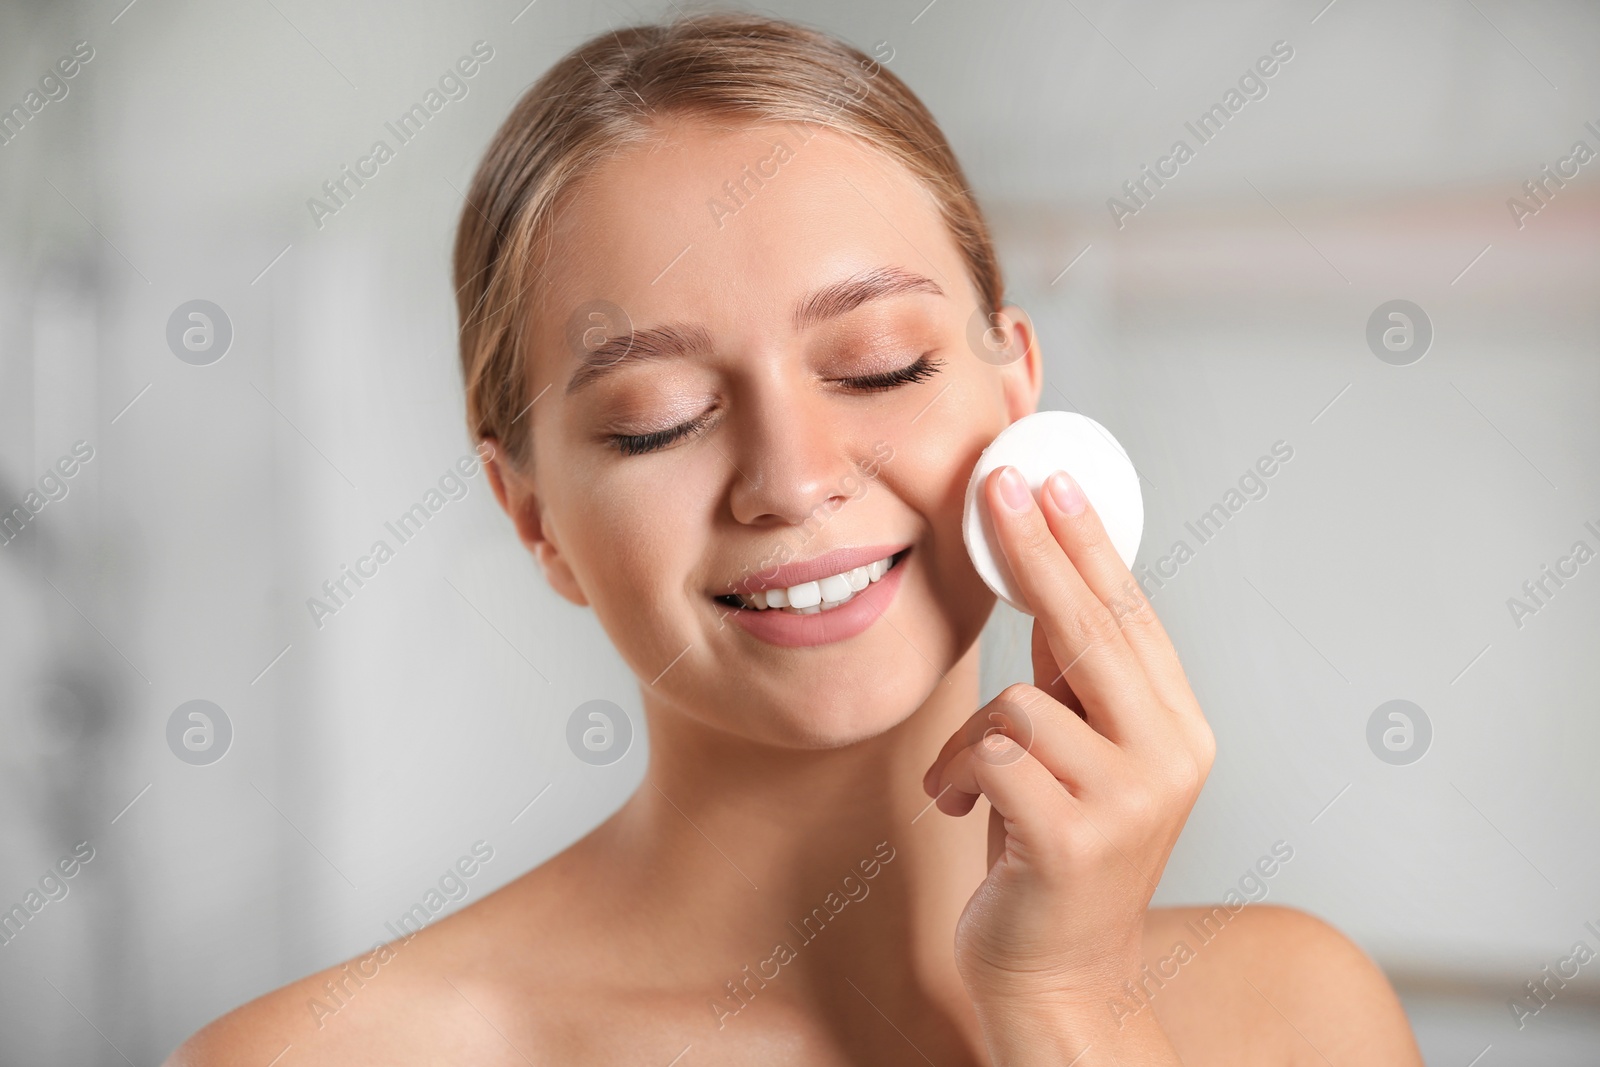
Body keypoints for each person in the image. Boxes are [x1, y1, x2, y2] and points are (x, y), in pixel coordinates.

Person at [169, 12, 1424, 1064]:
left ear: (1015, 392)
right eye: (657, 424)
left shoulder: (1295, 1016)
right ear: (532, 515)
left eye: (880, 367)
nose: (793, 477)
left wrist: (1066, 1007)